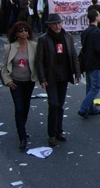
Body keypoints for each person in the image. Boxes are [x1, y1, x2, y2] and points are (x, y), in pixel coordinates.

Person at [36, 13, 81, 147]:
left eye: (59, 23)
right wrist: (42, 78)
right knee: (53, 104)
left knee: (60, 105)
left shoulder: (68, 37)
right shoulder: (44, 39)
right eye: (55, 24)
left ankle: (59, 130)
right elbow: (39, 61)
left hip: (64, 75)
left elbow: (73, 55)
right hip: (51, 76)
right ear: (49, 25)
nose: (57, 26)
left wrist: (77, 73)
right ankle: (51, 134)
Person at [0, 22, 37, 150]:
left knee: (26, 107)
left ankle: (23, 127)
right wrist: (8, 81)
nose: (23, 33)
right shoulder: (9, 48)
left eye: (26, 30)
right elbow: (4, 67)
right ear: (15, 33)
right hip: (15, 82)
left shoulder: (34, 46)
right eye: (21, 31)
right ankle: (22, 137)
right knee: (19, 108)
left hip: (29, 81)